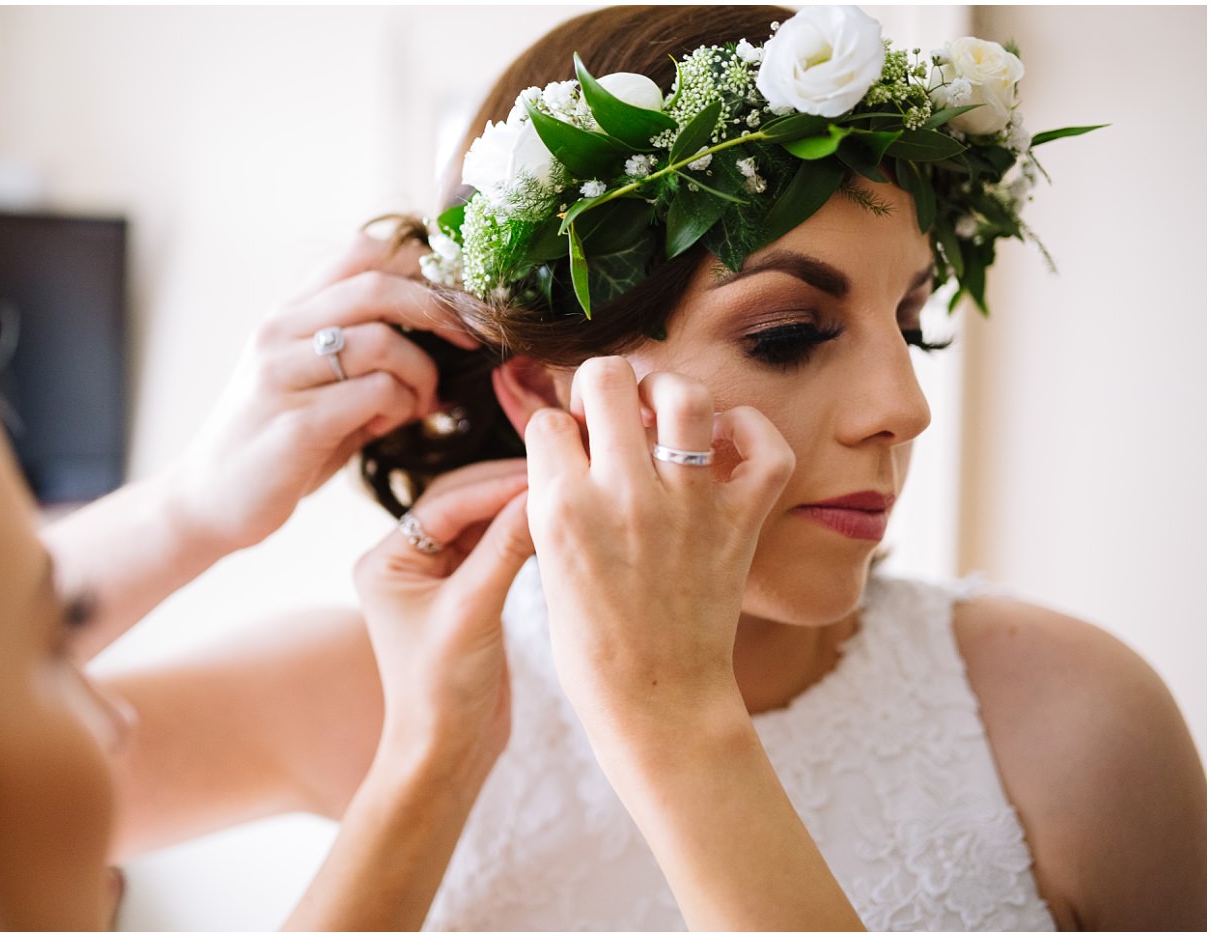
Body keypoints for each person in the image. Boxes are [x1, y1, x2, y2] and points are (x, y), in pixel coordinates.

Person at [96, 4, 1203, 931]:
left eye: (906, 321)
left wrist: (674, 720)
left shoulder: (1076, 721)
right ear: (540, 391)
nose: (901, 408)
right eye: (785, 333)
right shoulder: (395, 682)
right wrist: (187, 513)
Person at [0, 254, 537, 930]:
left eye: (69, 628)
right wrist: (433, 760)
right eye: (52, 636)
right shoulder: (379, 691)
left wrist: (191, 507)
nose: (115, 726)